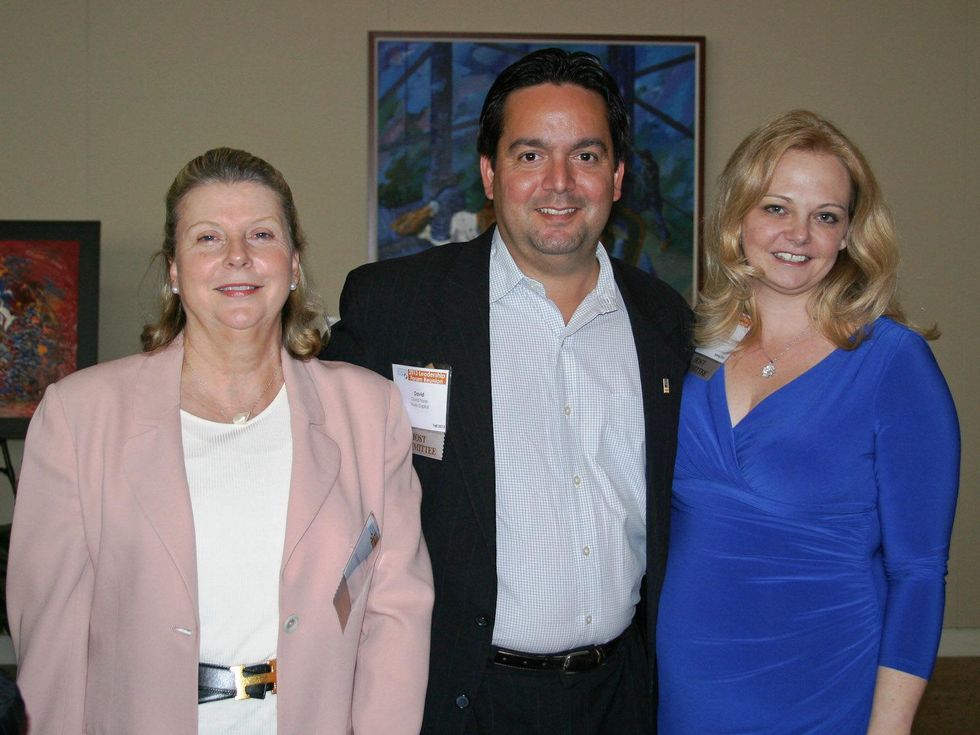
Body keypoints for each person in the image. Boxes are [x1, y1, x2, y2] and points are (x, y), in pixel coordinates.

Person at [323, 48, 693, 734]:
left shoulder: (664, 320)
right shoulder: (396, 308)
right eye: (529, 156)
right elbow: (323, 495)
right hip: (458, 696)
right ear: (490, 174)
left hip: (621, 696)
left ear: (615, 176)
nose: (559, 182)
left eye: (585, 156)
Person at [7, 148, 434, 734]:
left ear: (294, 263)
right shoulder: (80, 417)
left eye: (261, 234)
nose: (238, 257)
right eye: (208, 238)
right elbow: (50, 637)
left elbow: (396, 613)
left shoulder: (369, 411)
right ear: (175, 270)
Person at [656, 110, 960, 733]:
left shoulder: (893, 363)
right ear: (738, 217)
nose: (800, 233)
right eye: (776, 207)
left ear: (850, 234)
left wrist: (890, 727)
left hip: (820, 681)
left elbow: (919, 574)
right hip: (689, 680)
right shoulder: (689, 346)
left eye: (826, 215)